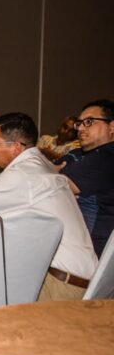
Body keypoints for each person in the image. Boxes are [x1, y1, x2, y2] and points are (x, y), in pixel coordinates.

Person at [0, 113, 97, 300]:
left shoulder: (22, 174)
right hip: (80, 280)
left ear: (16, 147)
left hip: (62, 284)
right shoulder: (40, 163)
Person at [61, 99, 114, 259]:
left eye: (89, 122)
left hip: (88, 265)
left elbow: (49, 186)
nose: (81, 128)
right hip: (72, 249)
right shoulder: (78, 153)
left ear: (112, 127)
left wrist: (58, 181)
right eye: (79, 123)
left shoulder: (107, 156)